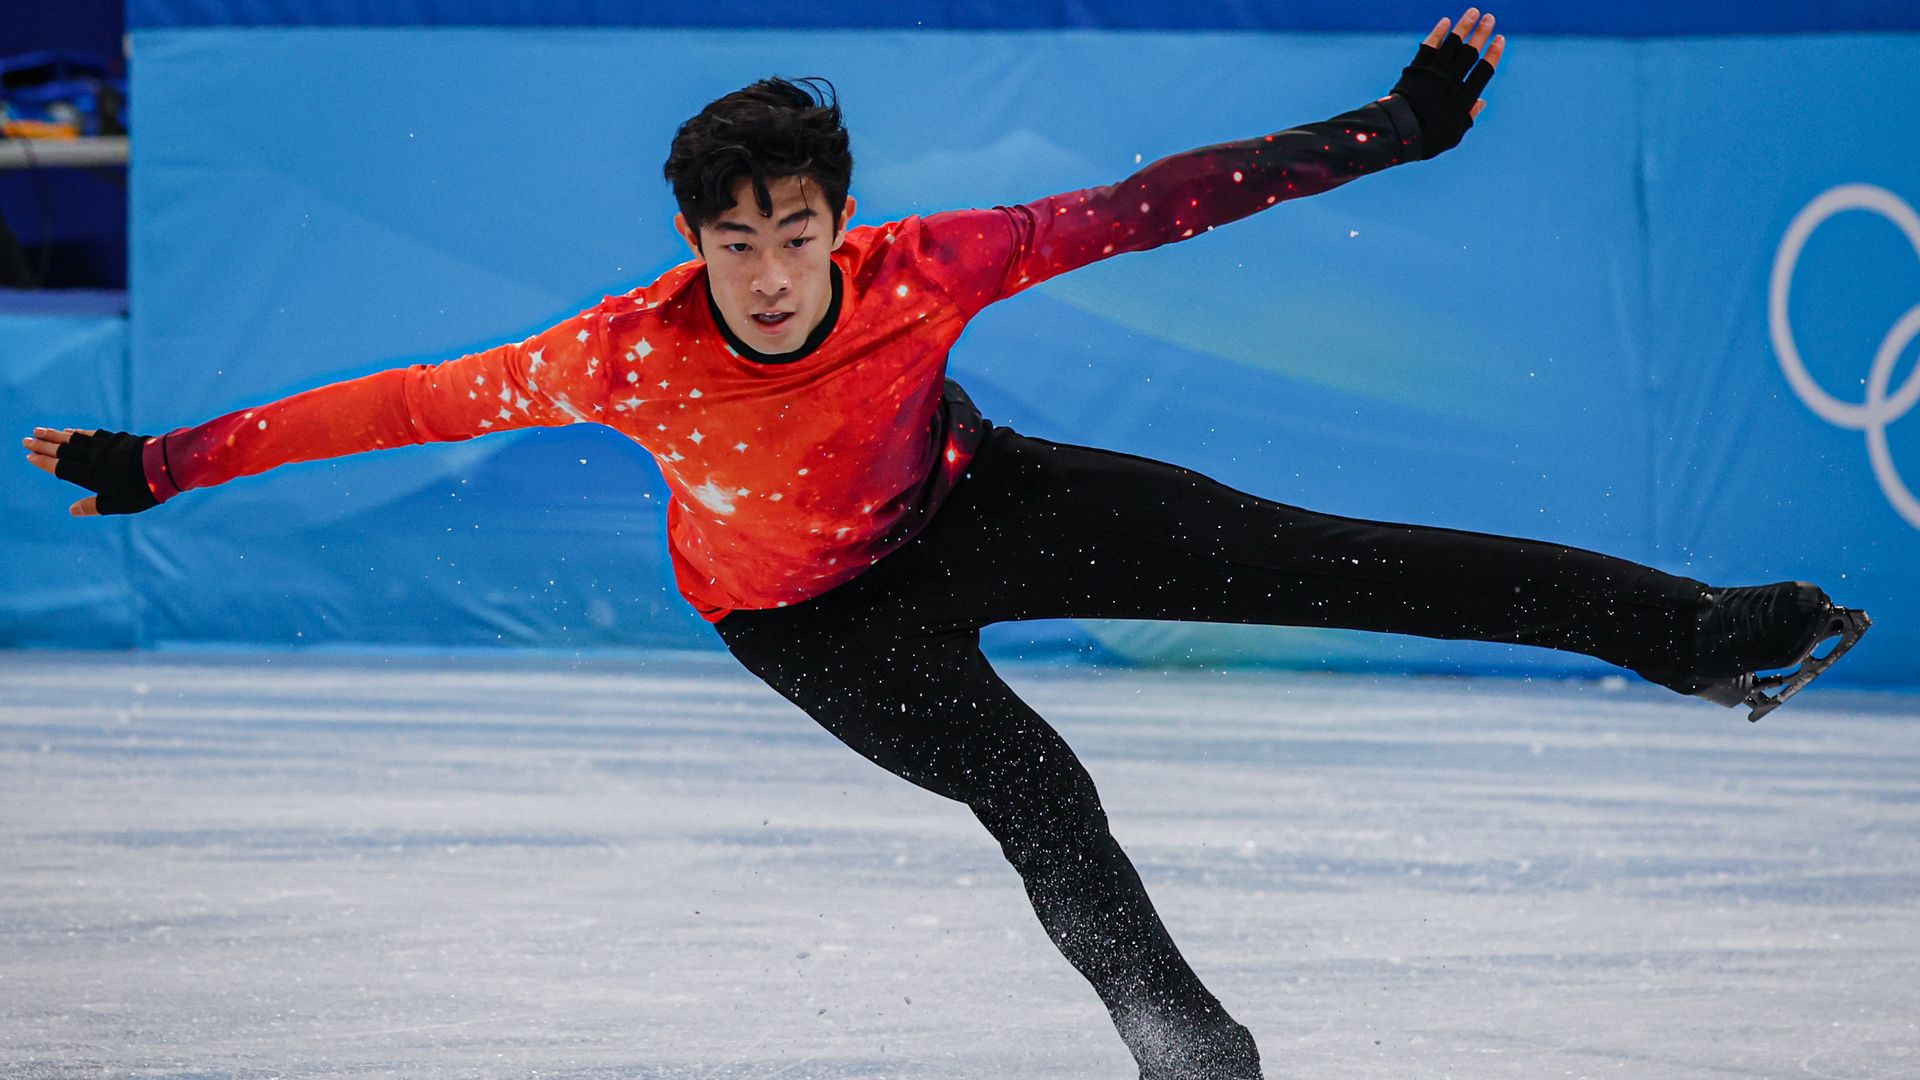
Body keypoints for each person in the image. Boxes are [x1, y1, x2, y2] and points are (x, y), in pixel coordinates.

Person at [22, 10, 1869, 1077]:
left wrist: (1388, 130)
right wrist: (166, 464)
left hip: (977, 498)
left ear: (839, 222)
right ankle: (1189, 1052)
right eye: (735, 243)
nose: (769, 273)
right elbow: (403, 404)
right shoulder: (623, 356)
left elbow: (1148, 207)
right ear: (693, 241)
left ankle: (1696, 632)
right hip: (811, 623)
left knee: (1317, 551)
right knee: (1036, 791)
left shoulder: (925, 271)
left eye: (795, 234)